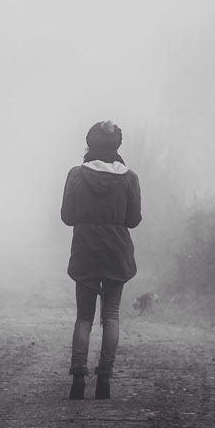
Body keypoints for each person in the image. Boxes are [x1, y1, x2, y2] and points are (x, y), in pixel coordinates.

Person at [60, 120, 141, 400]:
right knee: (111, 315)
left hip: (85, 251)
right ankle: (104, 380)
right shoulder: (129, 178)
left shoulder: (76, 175)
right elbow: (133, 220)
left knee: (84, 317)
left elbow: (67, 217)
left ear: (89, 144)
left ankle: (78, 379)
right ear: (117, 146)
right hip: (116, 253)